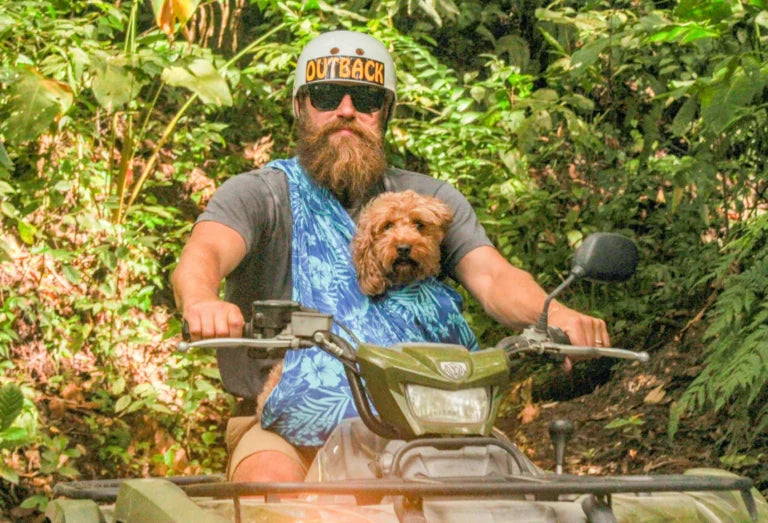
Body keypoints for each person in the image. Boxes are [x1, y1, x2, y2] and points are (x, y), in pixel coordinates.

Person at [171, 30, 610, 483]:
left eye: (364, 98)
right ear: (301, 107)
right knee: (273, 496)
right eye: (326, 96)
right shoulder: (262, 195)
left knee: (511, 494)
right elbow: (204, 252)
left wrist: (553, 313)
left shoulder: (430, 201)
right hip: (285, 423)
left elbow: (493, 277)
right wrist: (202, 300)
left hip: (428, 416)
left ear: (385, 112)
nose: (346, 111)